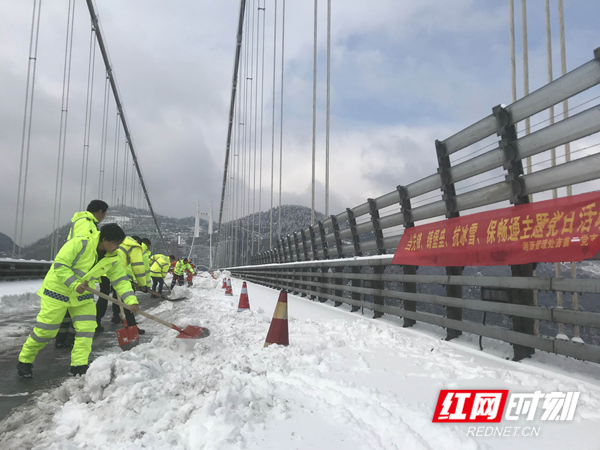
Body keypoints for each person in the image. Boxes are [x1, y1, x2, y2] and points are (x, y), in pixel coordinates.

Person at [17, 223, 139, 378]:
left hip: (83, 294)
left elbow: (121, 280)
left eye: (119, 244)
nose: (117, 247)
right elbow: (60, 266)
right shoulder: (80, 243)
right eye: (115, 244)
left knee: (87, 328)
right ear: (105, 239)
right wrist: (74, 284)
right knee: (46, 330)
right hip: (58, 291)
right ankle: (25, 361)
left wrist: (131, 300)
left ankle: (79, 365)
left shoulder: (114, 258)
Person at [57, 200, 109, 344]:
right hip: (79, 274)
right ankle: (70, 339)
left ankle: (61, 339)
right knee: (80, 310)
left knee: (69, 308)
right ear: (100, 212)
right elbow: (86, 248)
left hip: (73, 271)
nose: (103, 217)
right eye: (104, 214)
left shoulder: (82, 222)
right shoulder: (87, 225)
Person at [110, 236, 148, 333]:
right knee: (129, 301)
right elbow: (138, 267)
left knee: (116, 297)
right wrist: (142, 284)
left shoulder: (120, 243)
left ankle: (115, 316)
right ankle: (132, 326)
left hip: (108, 271)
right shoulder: (134, 247)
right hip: (122, 274)